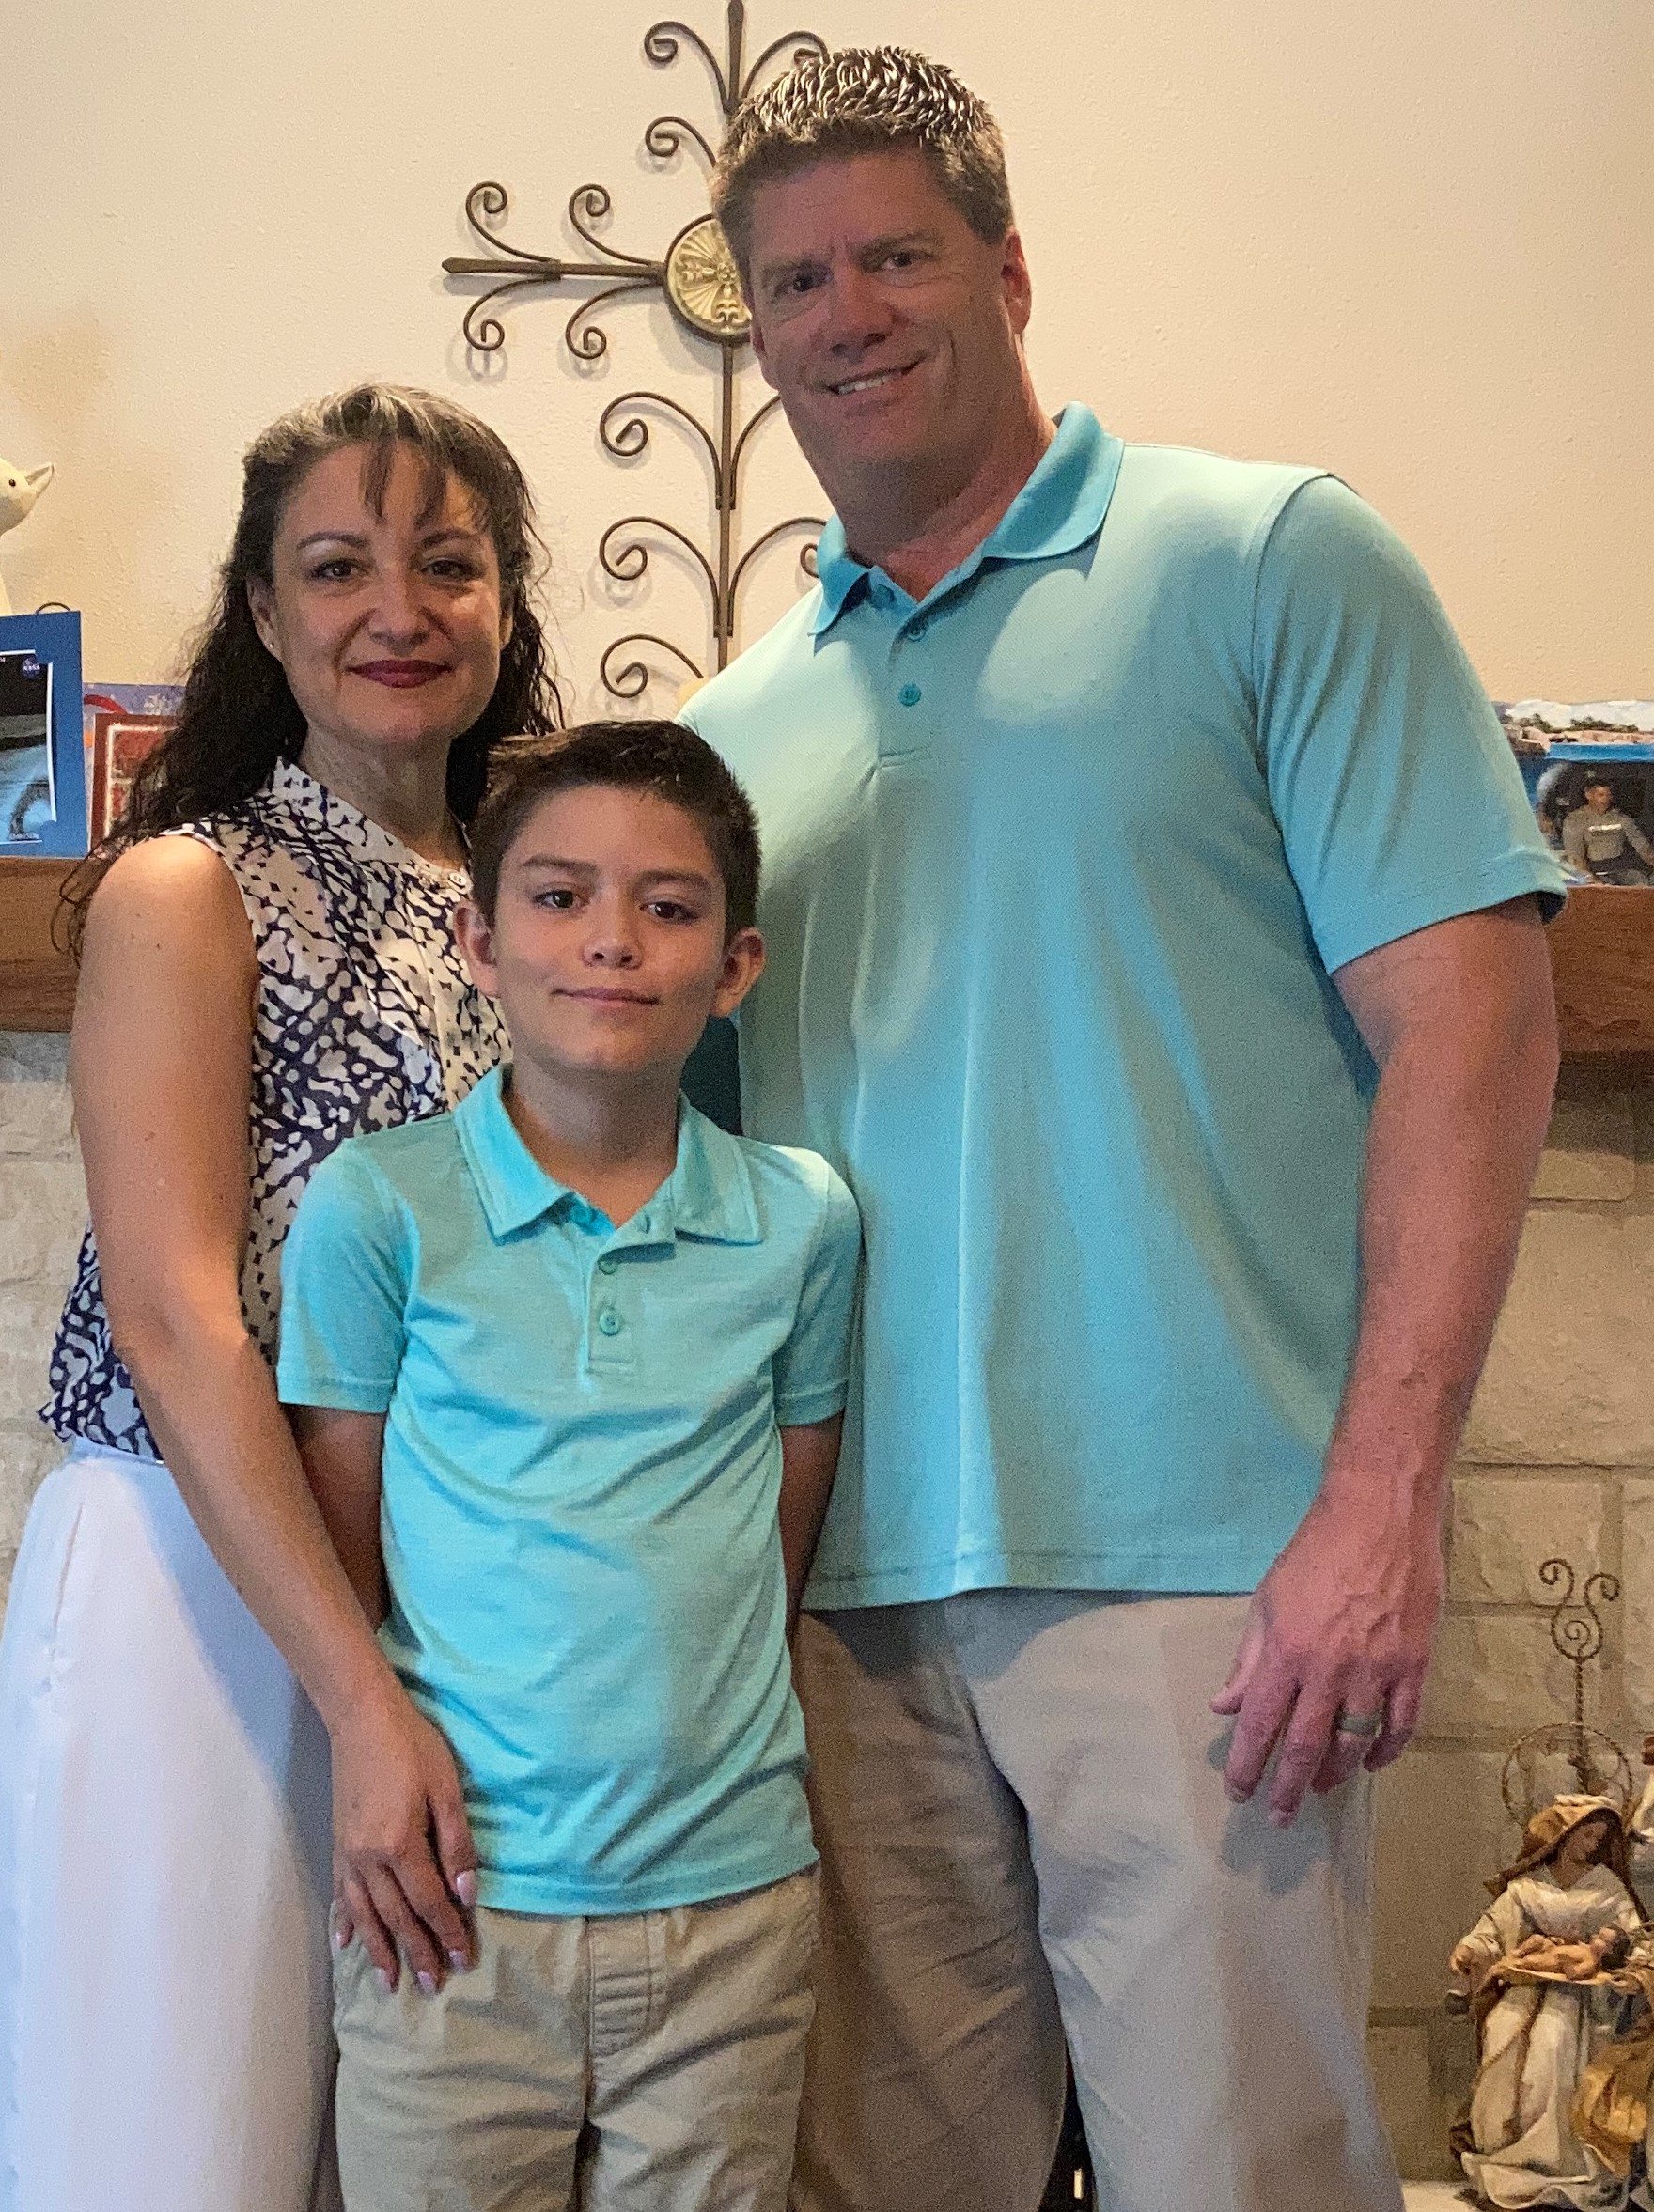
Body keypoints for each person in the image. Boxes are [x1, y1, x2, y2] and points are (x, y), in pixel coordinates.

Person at [679, 45, 1568, 2212]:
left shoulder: (1269, 559)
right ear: (757, 331)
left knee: (1232, 2178)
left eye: (896, 256)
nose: (845, 313)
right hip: (838, 1592)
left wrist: (1378, 1506)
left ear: (1007, 270)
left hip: (1204, 1572)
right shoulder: (727, 731)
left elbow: (1474, 1026)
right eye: (794, 279)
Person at [0, 383, 563, 2212]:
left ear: (504, 601)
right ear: (260, 609)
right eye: (335, 567)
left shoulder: (541, 908)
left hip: (447, 1601)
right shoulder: (193, 888)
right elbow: (177, 1320)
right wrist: (358, 1690)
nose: (396, 608)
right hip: (202, 1587)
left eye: (445, 563)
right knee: (170, 2159)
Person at [274, 722, 861, 2212]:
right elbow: (346, 1558)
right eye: (557, 896)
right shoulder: (379, 1207)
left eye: (668, 906)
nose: (611, 939)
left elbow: (778, 1542)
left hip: (732, 1908)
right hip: (453, 1904)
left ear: (735, 965)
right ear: (480, 942)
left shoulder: (804, 1221)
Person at [1450, 1798, 1650, 2210]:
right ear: (1562, 1836)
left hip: (1584, 2000)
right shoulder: (1528, 1885)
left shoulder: (1607, 1885)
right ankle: (1507, 2153)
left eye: (1598, 1838)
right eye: (1586, 1835)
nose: (1591, 1845)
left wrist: (1626, 1965)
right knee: (1502, 2030)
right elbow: (1492, 1931)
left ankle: (1560, 2160)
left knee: (1553, 2043)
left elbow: (1635, 1939)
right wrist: (1470, 1949)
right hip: (1525, 1986)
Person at [1561, 777, 1654, 884]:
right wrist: (1592, 879)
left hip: (1621, 869)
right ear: (1588, 795)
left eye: (1608, 795)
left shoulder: (1620, 817)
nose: (1605, 800)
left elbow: (1642, 846)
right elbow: (1575, 857)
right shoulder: (1575, 820)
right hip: (1595, 871)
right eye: (1601, 795)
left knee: (1642, 882)